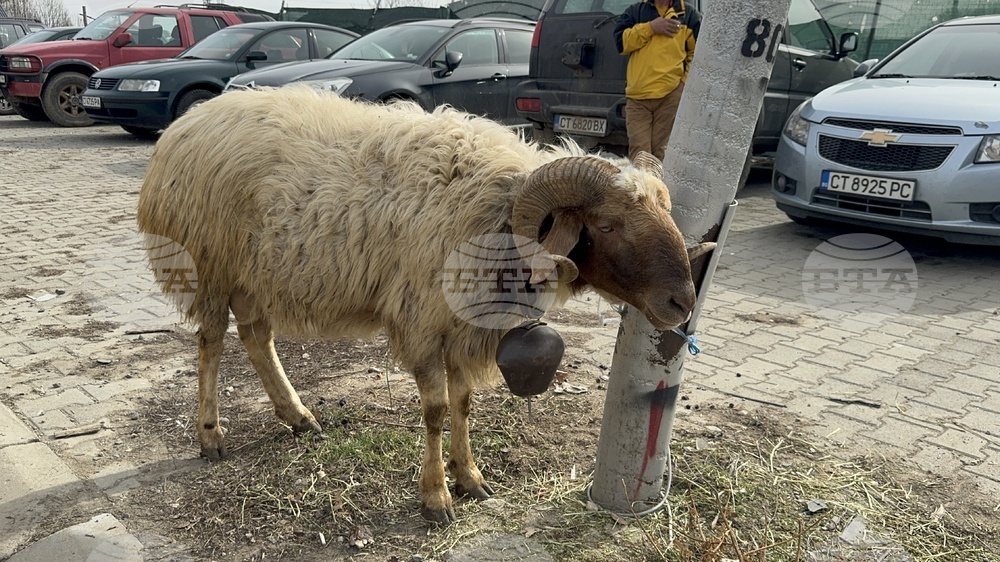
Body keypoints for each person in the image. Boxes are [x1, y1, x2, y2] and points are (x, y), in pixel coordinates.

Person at [614, 0, 701, 162]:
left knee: (661, 153)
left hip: (670, 96)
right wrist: (651, 28)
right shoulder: (635, 12)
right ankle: (643, 187)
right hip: (638, 98)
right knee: (640, 155)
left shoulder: (689, 16)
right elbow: (622, 44)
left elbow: (699, 53)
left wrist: (683, 83)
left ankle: (657, 187)